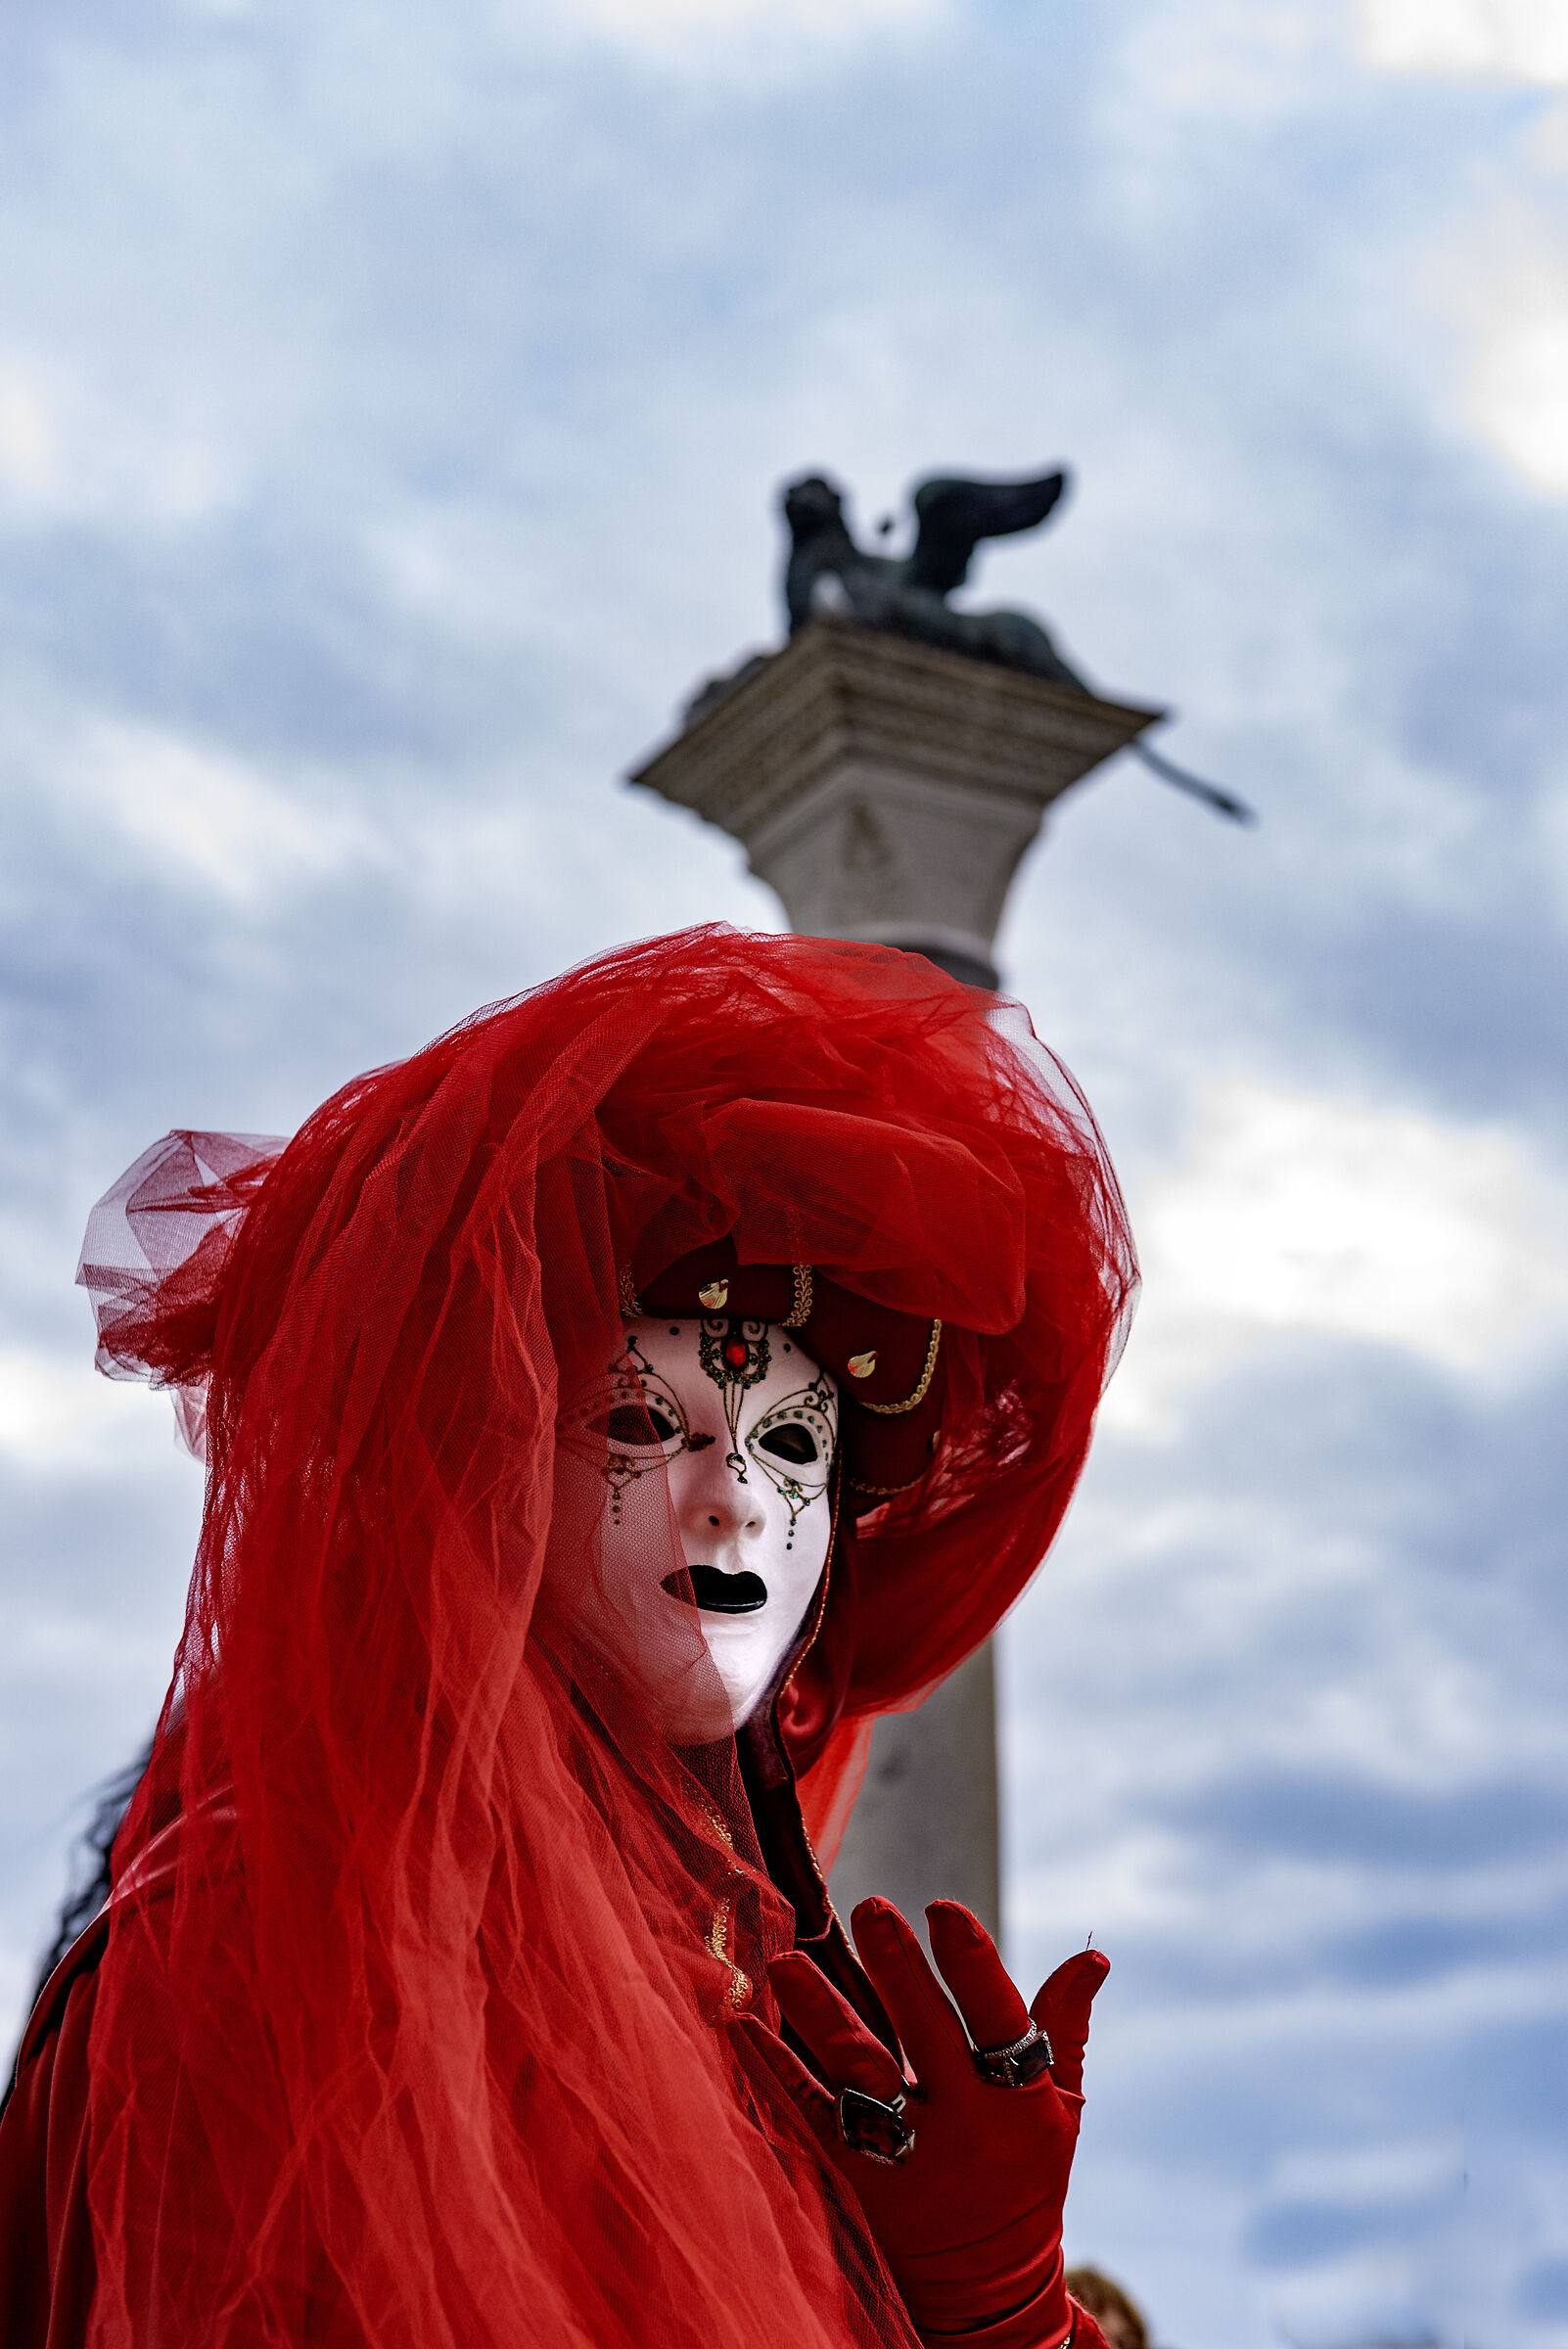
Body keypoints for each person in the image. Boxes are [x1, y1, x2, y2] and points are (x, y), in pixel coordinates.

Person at [0, 925, 1136, 2348]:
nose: (733, 1502)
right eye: (642, 1422)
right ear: (473, 1486)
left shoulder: (744, 1990)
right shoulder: (271, 1950)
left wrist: (993, 2316)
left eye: (795, 1448)